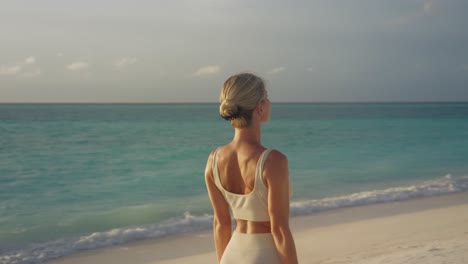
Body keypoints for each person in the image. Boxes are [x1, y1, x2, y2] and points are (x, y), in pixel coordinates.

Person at [205, 73, 298, 264]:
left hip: (231, 255)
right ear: (260, 107)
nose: (270, 102)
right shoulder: (273, 161)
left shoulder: (213, 159)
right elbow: (279, 230)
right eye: (266, 97)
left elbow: (221, 225)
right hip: (264, 256)